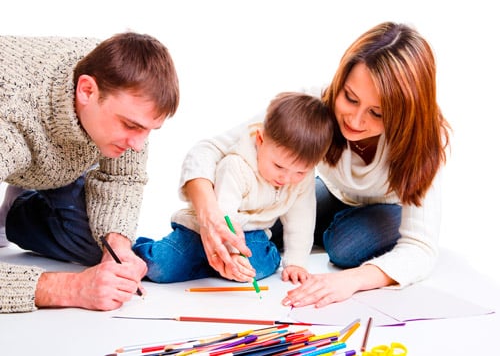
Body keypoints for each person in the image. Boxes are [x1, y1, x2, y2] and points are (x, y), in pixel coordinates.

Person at [177, 21, 451, 307]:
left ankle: (333, 233)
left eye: (377, 113)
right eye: (350, 98)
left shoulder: (423, 139)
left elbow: (420, 248)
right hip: (331, 197)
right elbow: (209, 149)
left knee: (346, 246)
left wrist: (353, 280)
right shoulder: (313, 106)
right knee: (260, 216)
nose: (355, 121)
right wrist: (210, 215)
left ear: (405, 113)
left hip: (383, 214)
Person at [0, 32, 180, 313]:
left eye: (148, 131)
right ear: (86, 91)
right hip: (19, 139)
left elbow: (122, 177)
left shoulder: (117, 79)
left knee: (98, 253)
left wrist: (117, 248)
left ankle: (16, 210)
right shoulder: (8, 123)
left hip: (55, 155)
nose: (138, 145)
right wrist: (71, 288)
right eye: (131, 126)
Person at [133, 92, 333, 284]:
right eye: (279, 166)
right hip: (202, 232)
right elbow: (224, 214)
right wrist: (231, 252)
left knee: (259, 267)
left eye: (300, 172)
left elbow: (302, 219)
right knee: (159, 267)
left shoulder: (301, 179)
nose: (287, 178)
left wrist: (296, 263)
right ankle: (138, 255)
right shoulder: (236, 166)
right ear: (260, 140)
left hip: (251, 235)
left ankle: (209, 267)